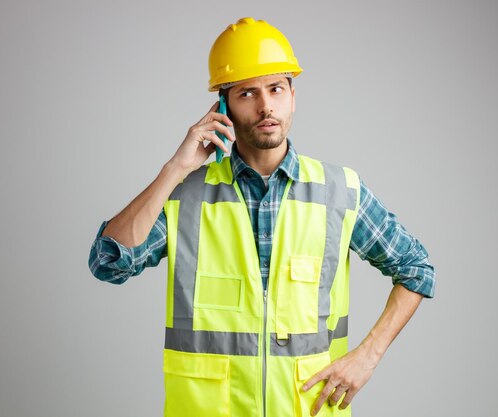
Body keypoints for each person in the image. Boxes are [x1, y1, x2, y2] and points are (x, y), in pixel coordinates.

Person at [88, 17, 435, 417]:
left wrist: (367, 357)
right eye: (247, 93)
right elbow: (108, 262)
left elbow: (416, 269)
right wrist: (174, 170)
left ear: (292, 95)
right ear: (223, 107)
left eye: (276, 89)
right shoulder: (184, 195)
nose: (266, 105)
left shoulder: (341, 191)